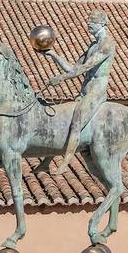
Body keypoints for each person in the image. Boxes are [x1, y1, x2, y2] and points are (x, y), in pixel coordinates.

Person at [41, 11, 116, 175]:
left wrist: (61, 78)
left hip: (96, 91)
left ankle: (65, 162)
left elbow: (85, 67)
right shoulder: (92, 46)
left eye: (92, 22)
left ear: (102, 24)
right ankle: (46, 162)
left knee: (76, 123)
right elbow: (73, 68)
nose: (88, 25)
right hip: (84, 90)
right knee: (64, 122)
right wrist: (53, 55)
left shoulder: (107, 43)